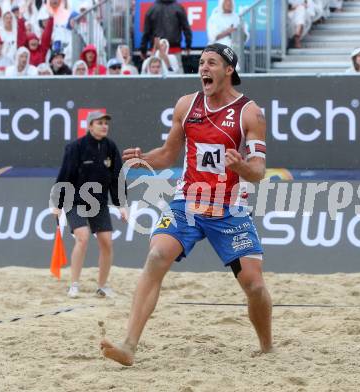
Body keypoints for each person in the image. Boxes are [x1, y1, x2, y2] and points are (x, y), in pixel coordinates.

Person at [100, 43, 273, 366]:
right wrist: (144, 159)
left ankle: (266, 345)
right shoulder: (186, 104)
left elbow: (259, 171)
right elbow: (168, 154)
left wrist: (242, 168)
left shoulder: (250, 112)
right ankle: (129, 345)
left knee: (254, 284)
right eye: (201, 63)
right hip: (188, 202)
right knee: (156, 255)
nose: (203, 68)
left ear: (229, 70)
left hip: (229, 208)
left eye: (212, 63)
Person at [52, 111, 128, 298]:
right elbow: (65, 176)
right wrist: (58, 204)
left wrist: (121, 205)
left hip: (98, 203)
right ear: (89, 126)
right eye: (99, 122)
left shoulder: (110, 147)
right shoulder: (76, 147)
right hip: (75, 200)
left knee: (107, 242)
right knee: (83, 237)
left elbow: (117, 178)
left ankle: (102, 286)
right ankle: (74, 285)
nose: (104, 126)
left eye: (106, 123)